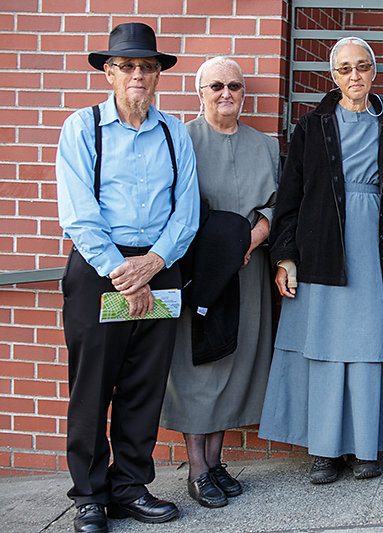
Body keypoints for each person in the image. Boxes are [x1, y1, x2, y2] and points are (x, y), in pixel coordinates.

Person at [258, 36, 383, 484]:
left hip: (373, 247)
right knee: (325, 348)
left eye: (363, 67)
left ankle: (365, 449)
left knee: (367, 346)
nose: (355, 76)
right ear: (334, 76)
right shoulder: (312, 127)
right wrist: (286, 256)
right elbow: (289, 198)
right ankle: (325, 452)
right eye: (346, 68)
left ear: (374, 73)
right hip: (321, 246)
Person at [55, 23, 199, 533]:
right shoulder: (82, 127)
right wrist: (126, 273)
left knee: (144, 383)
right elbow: (77, 212)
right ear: (109, 72)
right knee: (92, 386)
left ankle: (130, 487)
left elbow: (187, 210)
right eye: (128, 66)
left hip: (160, 266)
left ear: (158, 75)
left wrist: (155, 264)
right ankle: (90, 496)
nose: (138, 75)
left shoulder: (173, 130)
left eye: (148, 67)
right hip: (101, 271)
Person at [160, 57, 279, 508]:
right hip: (200, 274)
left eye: (234, 85)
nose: (225, 93)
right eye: (215, 86)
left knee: (235, 363)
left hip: (248, 272)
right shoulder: (180, 139)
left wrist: (253, 237)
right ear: (200, 92)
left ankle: (215, 459)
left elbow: (278, 202)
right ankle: (196, 468)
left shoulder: (265, 145)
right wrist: (220, 250)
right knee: (198, 367)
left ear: (244, 92)